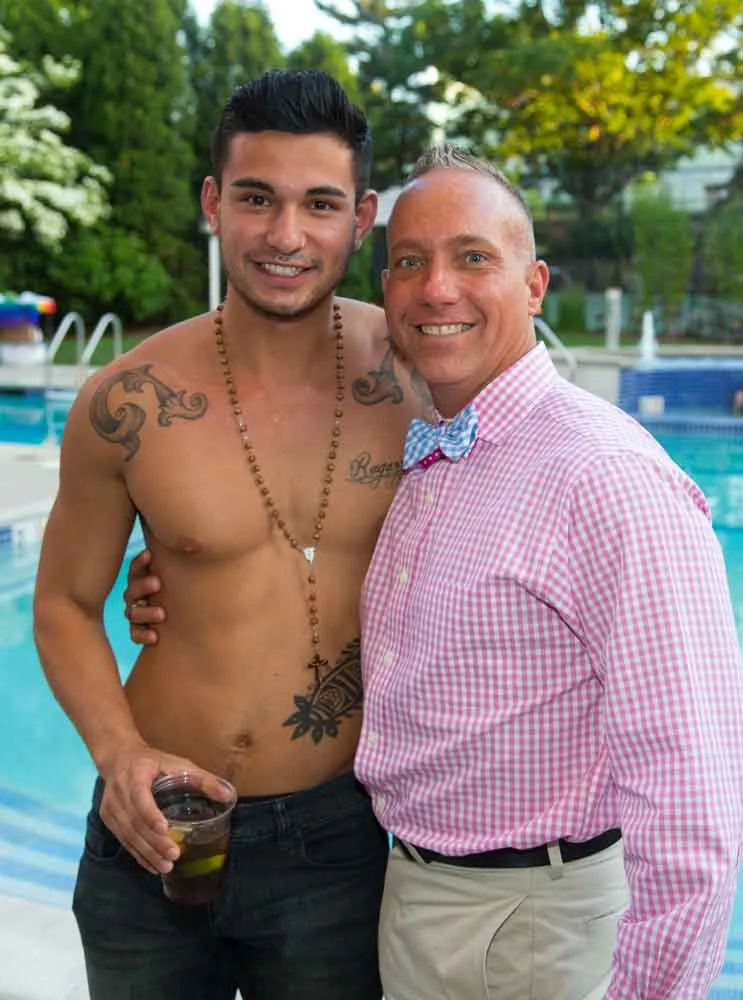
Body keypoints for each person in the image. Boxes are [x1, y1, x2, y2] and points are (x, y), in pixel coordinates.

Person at [124, 147, 743, 999]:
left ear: (534, 285)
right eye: (409, 262)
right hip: (417, 892)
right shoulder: (430, 450)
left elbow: (692, 798)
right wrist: (182, 583)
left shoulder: (602, 477)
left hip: (533, 921)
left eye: (472, 257)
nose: (436, 288)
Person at [32, 69, 429, 1000]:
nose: (286, 235)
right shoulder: (127, 402)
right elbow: (62, 603)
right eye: (256, 198)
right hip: (152, 830)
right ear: (214, 203)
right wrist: (119, 756)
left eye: (319, 204)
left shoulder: (418, 379)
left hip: (337, 839)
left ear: (361, 218)